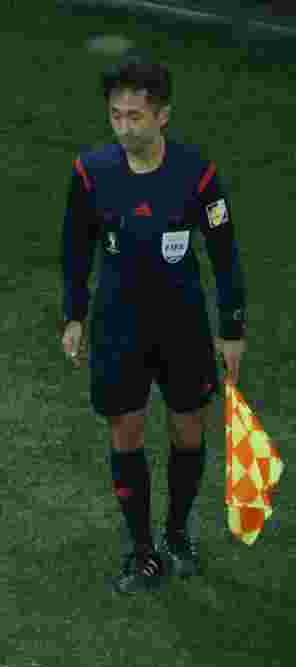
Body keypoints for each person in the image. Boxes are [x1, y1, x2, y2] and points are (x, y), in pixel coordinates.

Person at [59, 60, 248, 594]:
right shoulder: (92, 172)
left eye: (135, 117)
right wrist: (74, 314)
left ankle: (178, 534)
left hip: (183, 324)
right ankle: (141, 550)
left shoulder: (198, 175)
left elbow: (225, 254)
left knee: (189, 429)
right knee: (126, 431)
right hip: (119, 325)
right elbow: (75, 247)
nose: (124, 128)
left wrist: (232, 326)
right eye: (116, 116)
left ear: (162, 116)